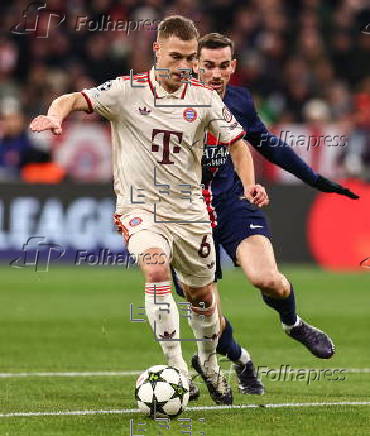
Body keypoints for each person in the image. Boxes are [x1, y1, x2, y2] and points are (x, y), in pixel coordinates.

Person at [29, 18, 269, 406]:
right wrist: (56, 116)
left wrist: (248, 184)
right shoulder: (126, 91)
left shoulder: (205, 99)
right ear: (156, 51)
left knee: (201, 297)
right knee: (155, 266)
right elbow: (73, 98)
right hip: (140, 207)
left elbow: (237, 143)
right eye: (176, 57)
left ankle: (209, 363)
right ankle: (176, 369)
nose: (184, 66)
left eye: (191, 58)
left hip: (191, 211)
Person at [173, 33, 360, 396]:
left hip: (232, 201)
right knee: (205, 307)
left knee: (266, 278)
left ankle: (293, 324)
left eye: (223, 65)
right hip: (186, 213)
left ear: (233, 67)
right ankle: (241, 359)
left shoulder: (239, 100)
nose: (215, 73)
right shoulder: (172, 103)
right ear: (194, 65)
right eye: (207, 65)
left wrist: (315, 179)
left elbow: (266, 144)